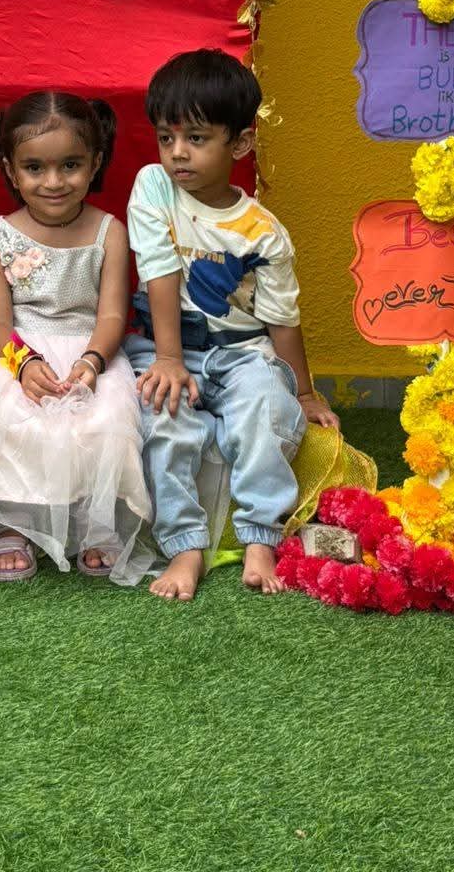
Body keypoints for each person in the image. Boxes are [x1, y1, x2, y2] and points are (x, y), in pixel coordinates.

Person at [126, 48, 340, 602]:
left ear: (239, 144)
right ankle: (184, 545)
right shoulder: (154, 187)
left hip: (243, 351)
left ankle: (260, 536)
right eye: (167, 137)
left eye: (196, 138)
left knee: (267, 407)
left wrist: (306, 391)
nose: (177, 153)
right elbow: (160, 272)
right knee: (164, 415)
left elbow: (280, 319)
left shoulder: (263, 231)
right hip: (164, 344)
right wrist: (170, 360)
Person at [0, 92, 151, 584]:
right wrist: (22, 363)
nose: (53, 182)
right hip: (17, 354)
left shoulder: (109, 232)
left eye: (70, 165)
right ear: (10, 168)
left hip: (93, 351)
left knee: (105, 416)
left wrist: (92, 363)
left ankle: (96, 523)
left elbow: (112, 315)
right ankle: (12, 526)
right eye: (35, 168)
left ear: (96, 163)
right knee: (9, 415)